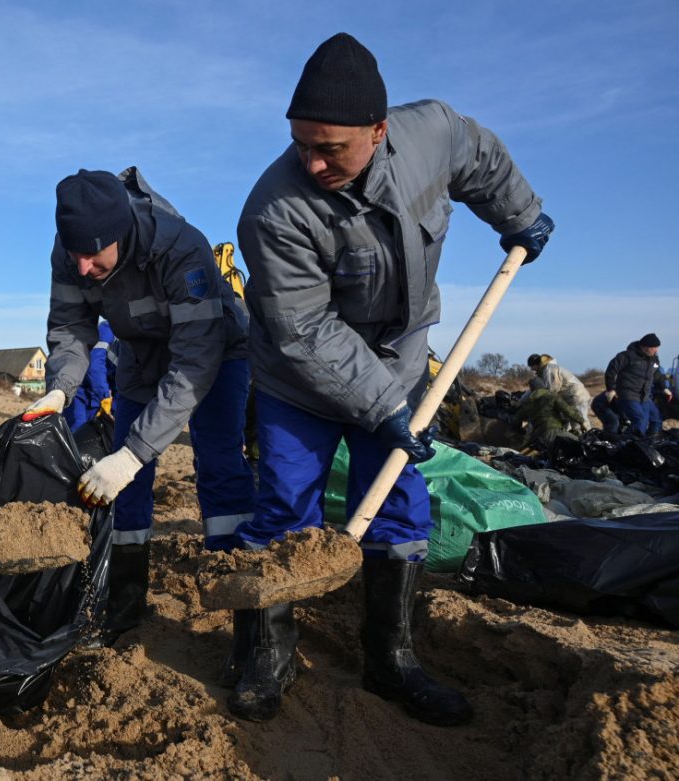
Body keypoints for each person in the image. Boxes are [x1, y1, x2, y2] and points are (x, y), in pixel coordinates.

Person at [236, 33, 554, 725]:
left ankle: (392, 659)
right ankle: (267, 654)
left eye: (331, 148)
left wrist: (521, 215)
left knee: (402, 507)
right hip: (299, 375)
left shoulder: (431, 132)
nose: (313, 162)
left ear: (379, 132)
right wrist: (383, 405)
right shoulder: (274, 211)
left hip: (399, 358)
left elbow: (483, 159)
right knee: (286, 502)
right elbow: (304, 331)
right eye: (301, 146)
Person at [25, 167, 255, 647]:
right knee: (125, 487)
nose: (82, 267)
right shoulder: (71, 254)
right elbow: (70, 327)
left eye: (92, 255)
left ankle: (242, 618)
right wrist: (60, 389)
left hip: (213, 354)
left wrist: (134, 453)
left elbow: (195, 360)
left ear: (122, 234)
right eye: (75, 255)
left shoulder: (180, 247)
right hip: (138, 356)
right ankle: (125, 604)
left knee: (219, 468)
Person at [605, 333, 671, 436]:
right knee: (639, 421)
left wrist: (664, 388)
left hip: (645, 397)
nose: (656, 350)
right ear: (645, 347)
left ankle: (651, 444)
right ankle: (627, 445)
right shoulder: (627, 356)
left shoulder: (653, 359)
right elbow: (611, 371)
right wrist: (611, 389)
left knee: (656, 420)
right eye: (654, 347)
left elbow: (657, 374)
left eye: (657, 347)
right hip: (628, 395)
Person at [63, 319, 116, 432]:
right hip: (79, 389)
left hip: (97, 395)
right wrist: (105, 396)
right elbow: (95, 366)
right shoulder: (107, 330)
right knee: (78, 428)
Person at [527, 353, 591, 431]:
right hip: (570, 399)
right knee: (570, 425)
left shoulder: (550, 370)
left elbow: (552, 389)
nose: (532, 369)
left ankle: (591, 440)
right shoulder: (545, 371)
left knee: (580, 423)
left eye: (532, 367)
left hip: (577, 397)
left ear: (536, 364)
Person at [512, 388, 585, 450]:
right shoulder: (551, 396)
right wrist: (581, 421)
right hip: (554, 432)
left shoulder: (527, 404)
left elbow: (515, 422)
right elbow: (569, 411)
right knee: (581, 446)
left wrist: (521, 431)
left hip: (538, 437)